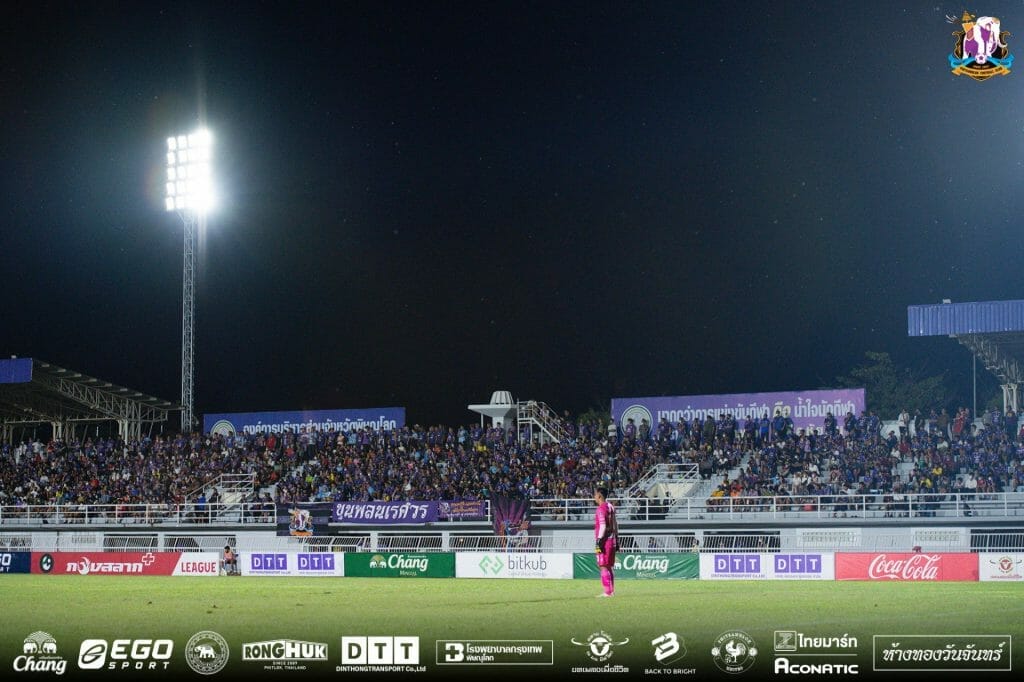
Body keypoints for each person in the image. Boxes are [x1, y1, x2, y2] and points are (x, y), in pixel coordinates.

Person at [593, 486, 618, 598]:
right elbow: (615, 524)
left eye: (595, 494)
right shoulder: (610, 506)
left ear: (599, 495)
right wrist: (617, 539)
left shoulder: (600, 509)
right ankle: (611, 591)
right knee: (608, 567)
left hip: (604, 541)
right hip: (612, 540)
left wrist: (598, 541)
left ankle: (607, 592)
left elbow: (603, 526)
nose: (594, 497)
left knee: (603, 566)